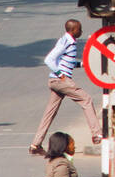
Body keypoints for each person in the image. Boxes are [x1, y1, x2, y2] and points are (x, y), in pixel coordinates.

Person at [30, 19, 103, 156]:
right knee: (86, 99)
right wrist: (61, 75)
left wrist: (83, 65)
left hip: (56, 81)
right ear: (73, 30)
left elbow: (67, 62)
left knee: (49, 113)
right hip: (60, 81)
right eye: (79, 29)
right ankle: (97, 134)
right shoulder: (67, 41)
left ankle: (35, 144)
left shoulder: (67, 41)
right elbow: (49, 59)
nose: (81, 31)